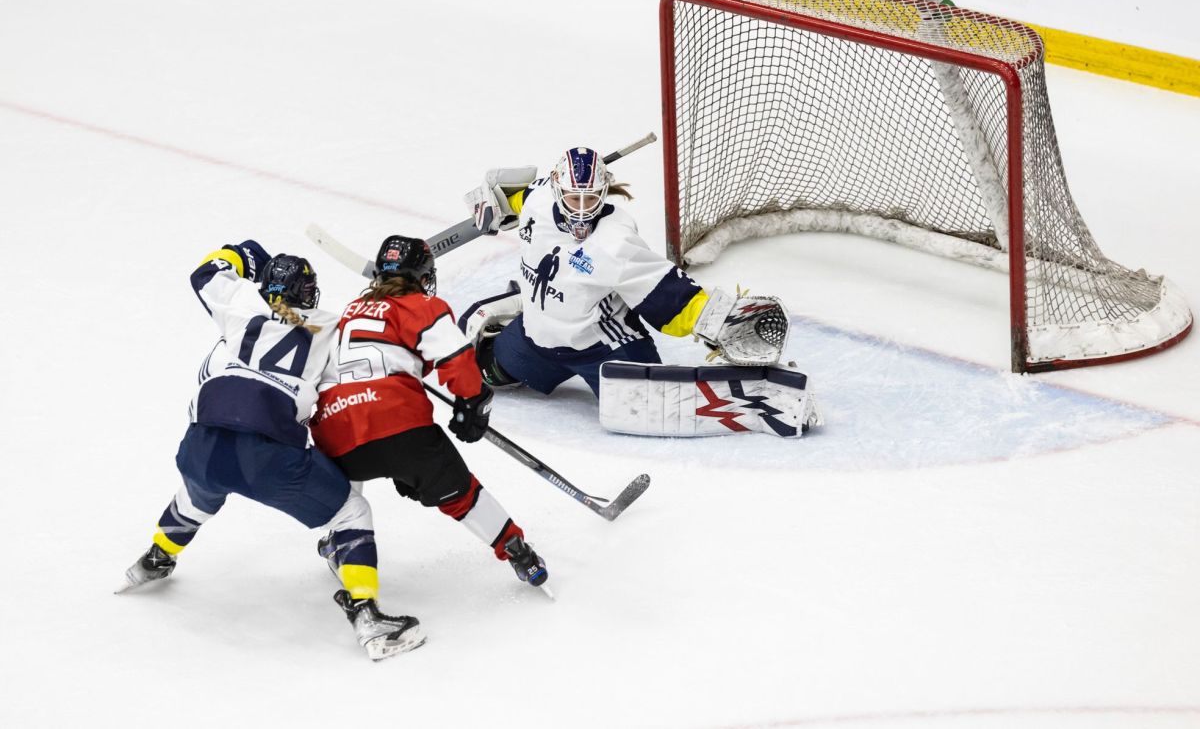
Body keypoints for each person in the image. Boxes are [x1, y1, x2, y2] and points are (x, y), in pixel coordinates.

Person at [118, 240, 425, 661]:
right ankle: (367, 615)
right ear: (309, 294)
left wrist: (244, 252)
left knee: (196, 493)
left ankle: (157, 556)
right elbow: (365, 363)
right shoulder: (329, 328)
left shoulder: (241, 301)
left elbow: (205, 272)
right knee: (351, 512)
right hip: (269, 455)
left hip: (199, 444)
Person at [310, 234, 548, 590]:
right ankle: (518, 552)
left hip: (334, 428)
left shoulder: (350, 311)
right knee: (461, 493)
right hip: (399, 427)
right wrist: (472, 402)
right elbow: (454, 356)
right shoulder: (421, 304)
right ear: (422, 276)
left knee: (346, 484)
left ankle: (339, 543)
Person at [461, 147, 787, 397]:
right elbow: (518, 198)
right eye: (573, 198)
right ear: (557, 192)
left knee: (653, 400)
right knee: (486, 371)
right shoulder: (538, 200)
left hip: (603, 348)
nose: (581, 209)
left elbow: (665, 293)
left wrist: (715, 319)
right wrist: (497, 202)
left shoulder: (614, 241)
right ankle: (522, 304)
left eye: (591, 200)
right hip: (538, 341)